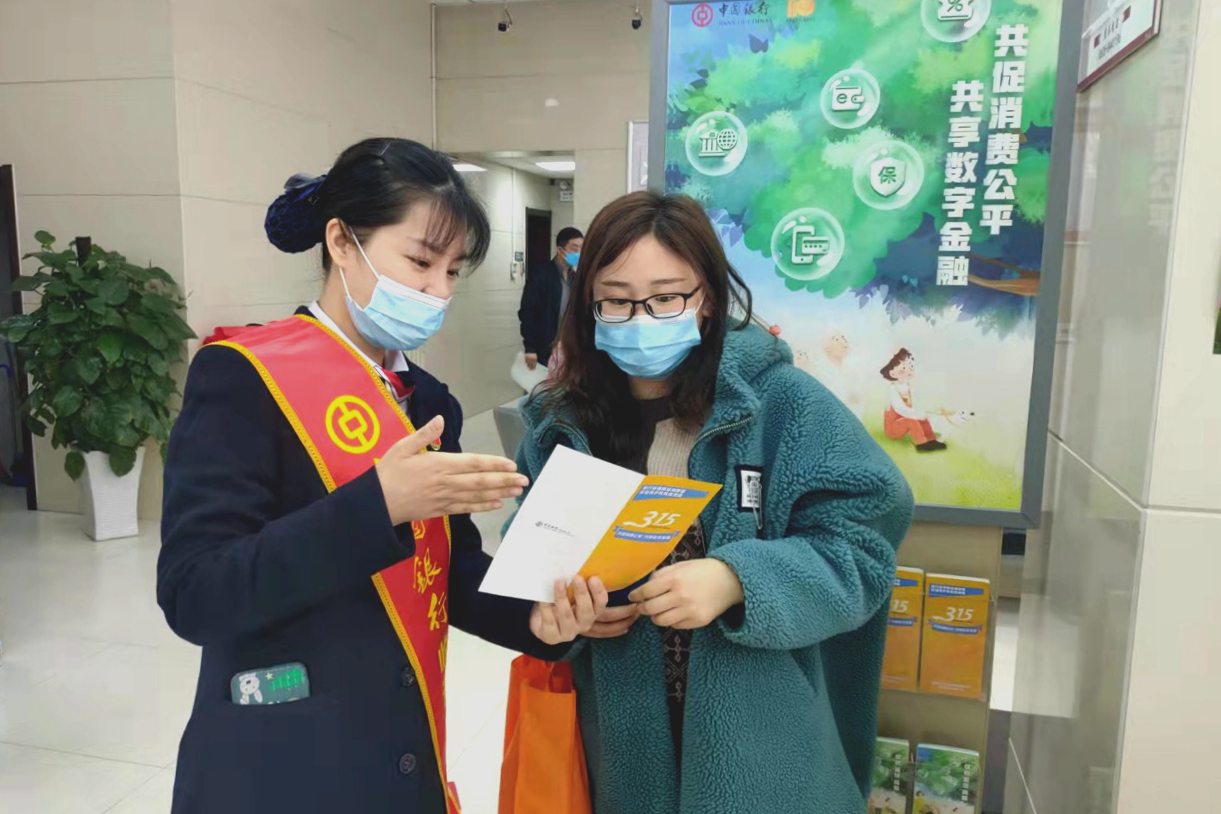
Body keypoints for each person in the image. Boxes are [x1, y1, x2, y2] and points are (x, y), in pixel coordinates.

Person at [157, 138, 607, 814]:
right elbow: (195, 593)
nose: (439, 291)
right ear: (342, 242)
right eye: (420, 262)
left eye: (452, 271)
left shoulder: (426, 401)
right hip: (280, 763)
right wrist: (378, 505)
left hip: (400, 752)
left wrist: (539, 618)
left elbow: (450, 571)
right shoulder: (242, 377)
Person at [512, 191, 914, 814]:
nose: (640, 318)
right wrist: (555, 616)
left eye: (666, 297)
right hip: (619, 751)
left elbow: (862, 543)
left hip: (762, 751)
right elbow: (534, 563)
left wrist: (739, 580)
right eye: (615, 299)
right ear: (587, 305)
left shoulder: (780, 404)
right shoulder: (559, 424)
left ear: (706, 298)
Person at [519, 226, 583, 371]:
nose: (579, 253)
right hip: (545, 348)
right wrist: (530, 348)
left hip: (569, 349)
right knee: (545, 382)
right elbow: (528, 312)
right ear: (560, 250)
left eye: (581, 248)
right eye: (575, 248)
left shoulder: (576, 279)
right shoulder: (540, 276)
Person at [881, 348, 947, 452]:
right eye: (904, 368)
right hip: (893, 427)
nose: (909, 370)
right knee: (912, 420)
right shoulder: (893, 388)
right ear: (893, 373)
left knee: (922, 419)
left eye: (910, 366)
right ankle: (921, 444)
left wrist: (925, 413)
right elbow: (899, 408)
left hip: (905, 420)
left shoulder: (908, 386)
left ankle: (931, 440)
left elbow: (916, 404)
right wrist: (917, 414)